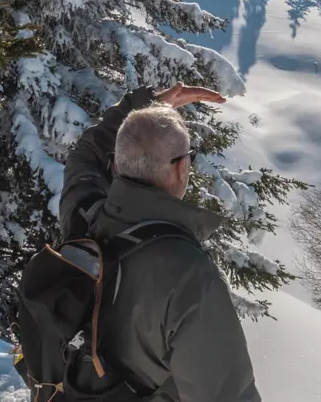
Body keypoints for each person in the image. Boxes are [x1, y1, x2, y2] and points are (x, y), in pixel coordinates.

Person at [58, 82, 262, 402]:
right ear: (182, 168)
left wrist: (138, 105)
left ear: (117, 164)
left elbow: (85, 155)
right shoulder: (190, 276)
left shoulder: (84, 216)